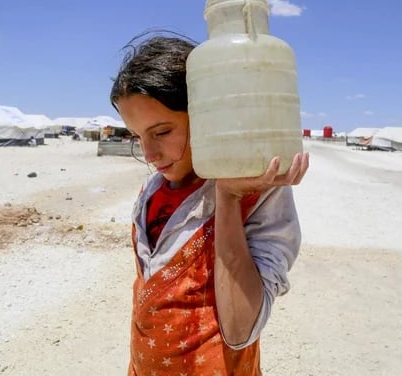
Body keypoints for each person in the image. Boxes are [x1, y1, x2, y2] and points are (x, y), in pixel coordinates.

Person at [110, 34, 309, 375]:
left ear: (208, 117)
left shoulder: (258, 194)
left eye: (161, 132)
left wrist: (229, 198)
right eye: (137, 136)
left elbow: (239, 329)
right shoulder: (152, 191)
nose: (149, 154)